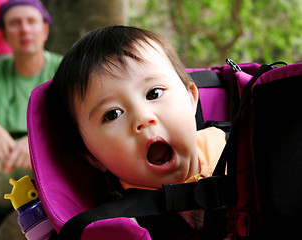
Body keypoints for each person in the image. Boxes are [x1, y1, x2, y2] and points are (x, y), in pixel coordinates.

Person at [50, 25, 226, 239]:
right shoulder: (122, 224)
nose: (143, 118)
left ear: (191, 98)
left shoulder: (237, 146)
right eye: (112, 114)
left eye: (154, 93)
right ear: (92, 156)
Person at [0, 0, 62, 239]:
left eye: (31, 22)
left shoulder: (65, 68)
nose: (24, 30)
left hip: (49, 160)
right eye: (15, 24)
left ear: (45, 30)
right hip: (2, 160)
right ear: (4, 35)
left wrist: (37, 143)